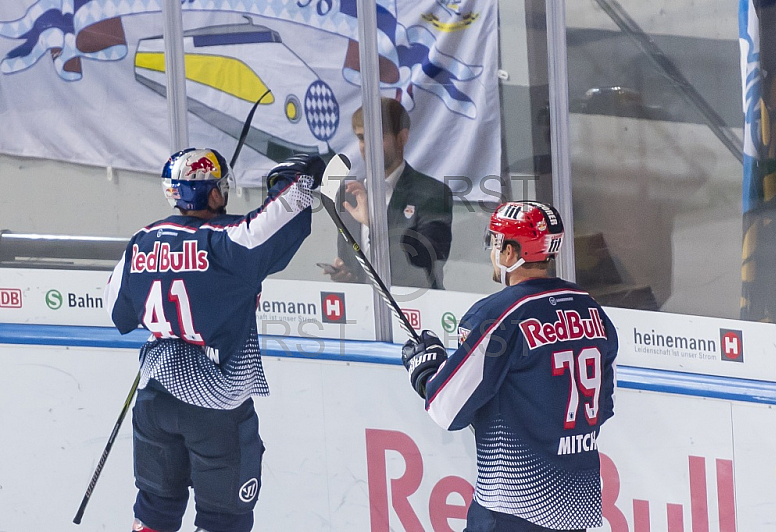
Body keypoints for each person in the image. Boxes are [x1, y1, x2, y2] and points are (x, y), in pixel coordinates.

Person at [103, 148, 325, 532]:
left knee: (154, 511)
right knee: (224, 520)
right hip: (215, 407)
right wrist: (300, 177)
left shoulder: (141, 241)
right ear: (214, 194)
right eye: (221, 187)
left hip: (154, 399)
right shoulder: (225, 243)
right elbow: (281, 214)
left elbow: (115, 311)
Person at [401, 201, 618, 532]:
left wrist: (427, 373)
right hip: (575, 506)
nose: (492, 253)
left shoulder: (499, 315)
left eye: (496, 243)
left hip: (512, 511)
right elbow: (600, 408)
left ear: (511, 252)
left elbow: (447, 409)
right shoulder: (592, 312)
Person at [325, 97, 453, 289]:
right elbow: (351, 261)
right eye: (361, 137)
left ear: (402, 138)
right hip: (363, 309)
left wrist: (376, 223)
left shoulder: (432, 194)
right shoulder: (348, 195)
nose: (367, 145)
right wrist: (346, 276)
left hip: (415, 309)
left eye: (377, 137)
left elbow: (428, 259)